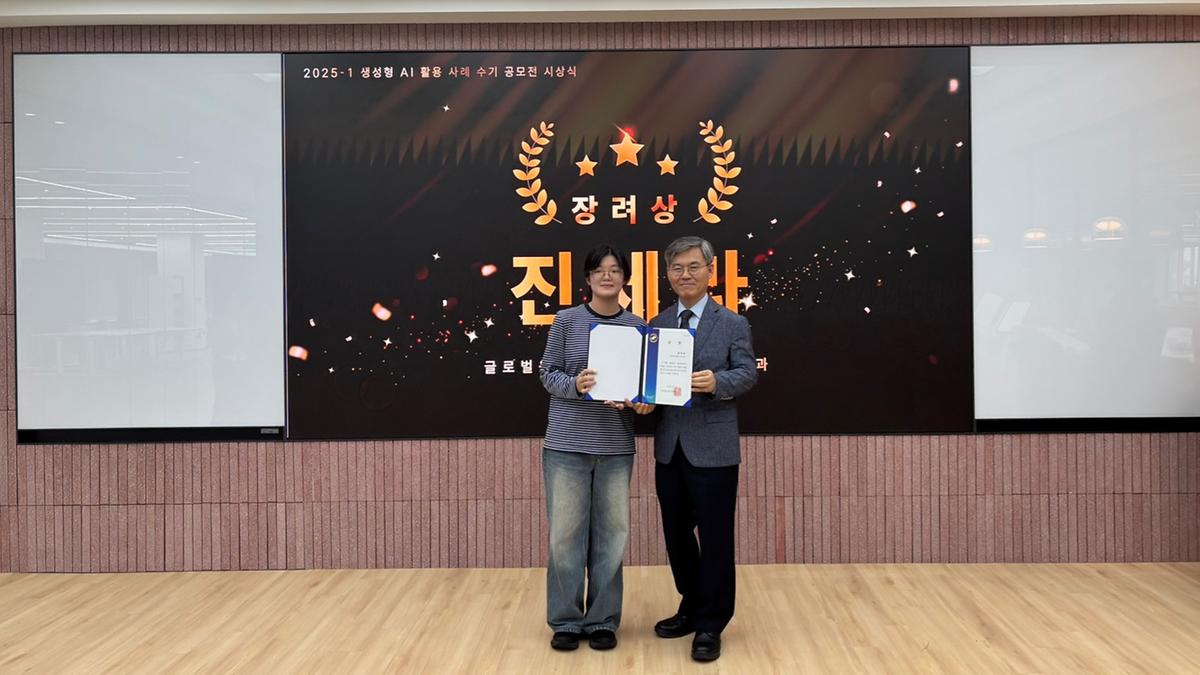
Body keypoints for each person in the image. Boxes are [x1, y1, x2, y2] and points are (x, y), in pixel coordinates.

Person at [538, 243, 654, 652]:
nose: (608, 276)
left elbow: (645, 389)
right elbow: (547, 373)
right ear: (587, 278)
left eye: (615, 269)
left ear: (625, 278)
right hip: (567, 445)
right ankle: (566, 621)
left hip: (615, 447)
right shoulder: (566, 320)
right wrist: (576, 385)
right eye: (599, 270)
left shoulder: (639, 327)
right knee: (565, 536)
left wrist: (641, 402)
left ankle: (603, 619)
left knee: (612, 536)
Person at [649, 235, 758, 662]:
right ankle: (691, 605)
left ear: (711, 271)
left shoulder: (731, 322)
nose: (685, 274)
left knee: (715, 537)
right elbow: (650, 381)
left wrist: (717, 382)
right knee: (676, 535)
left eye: (693, 266)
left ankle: (711, 622)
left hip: (714, 447)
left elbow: (747, 373)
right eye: (677, 268)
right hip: (669, 447)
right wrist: (642, 398)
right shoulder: (656, 324)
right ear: (667, 274)